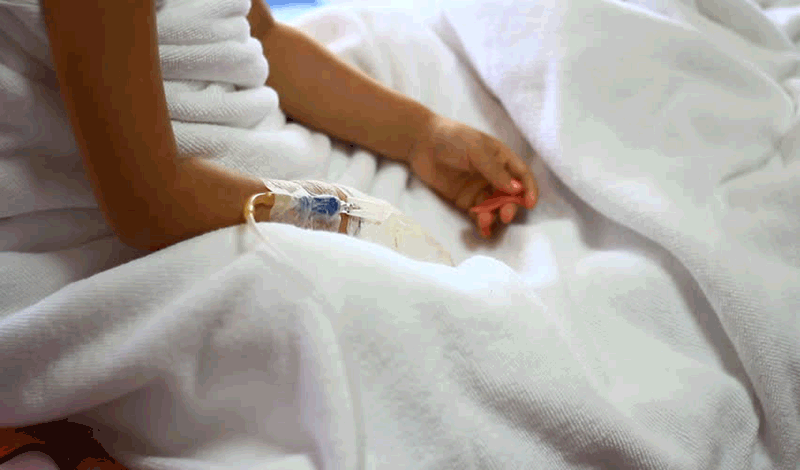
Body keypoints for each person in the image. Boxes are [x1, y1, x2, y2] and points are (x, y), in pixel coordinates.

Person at [38, 0, 539, 252]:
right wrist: (336, 211)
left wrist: (421, 135)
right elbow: (145, 203)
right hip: (172, 222)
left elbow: (257, 34)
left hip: (269, 163)